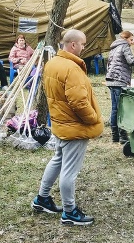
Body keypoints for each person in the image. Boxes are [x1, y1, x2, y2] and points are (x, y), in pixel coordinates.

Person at [32, 29, 102, 226]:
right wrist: (92, 118)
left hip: (61, 124)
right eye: (83, 44)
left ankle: (42, 198)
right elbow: (79, 102)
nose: (84, 47)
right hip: (75, 128)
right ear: (73, 45)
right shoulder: (71, 68)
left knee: (57, 161)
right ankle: (69, 211)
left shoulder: (52, 63)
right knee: (69, 171)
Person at [105, 30, 134, 144]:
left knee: (114, 109)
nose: (131, 42)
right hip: (119, 80)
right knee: (122, 109)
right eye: (131, 40)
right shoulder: (124, 45)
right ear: (126, 38)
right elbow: (130, 60)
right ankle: (122, 136)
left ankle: (115, 135)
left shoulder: (114, 47)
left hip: (111, 80)